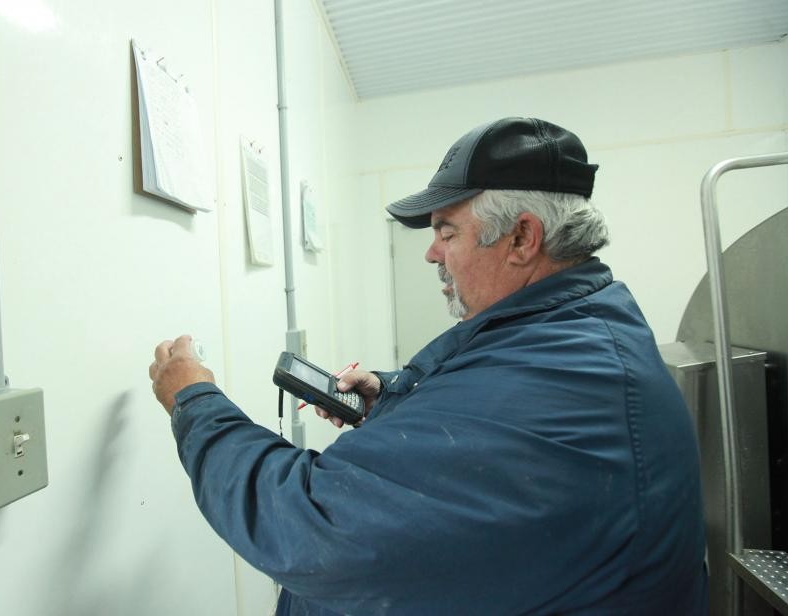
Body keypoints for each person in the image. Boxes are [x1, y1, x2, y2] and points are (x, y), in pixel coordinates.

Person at [149, 117, 708, 615]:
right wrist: (394, 398)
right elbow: (484, 421)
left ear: (522, 237)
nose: (432, 253)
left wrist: (195, 400)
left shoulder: (561, 382)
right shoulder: (569, 334)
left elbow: (311, 527)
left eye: (447, 231)